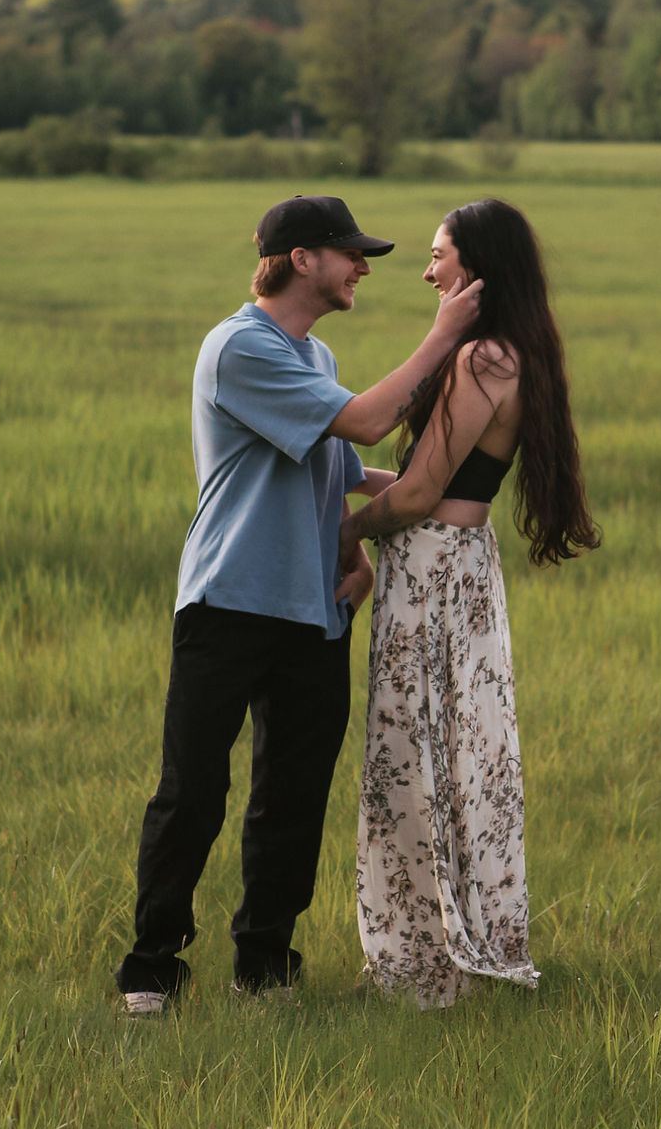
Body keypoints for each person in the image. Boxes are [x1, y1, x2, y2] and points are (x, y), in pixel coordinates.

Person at [115, 194, 482, 1016]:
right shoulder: (240, 347)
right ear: (302, 259)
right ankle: (151, 972)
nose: (362, 267)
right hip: (229, 601)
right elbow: (364, 422)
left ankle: (265, 965)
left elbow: (348, 473)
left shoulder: (311, 356)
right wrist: (444, 334)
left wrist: (451, 496)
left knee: (293, 795)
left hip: (315, 610)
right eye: (349, 253)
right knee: (193, 792)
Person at [339, 198, 600, 1009]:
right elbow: (437, 485)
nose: (426, 271)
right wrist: (339, 488)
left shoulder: (484, 358)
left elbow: (418, 495)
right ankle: (437, 950)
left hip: (434, 575)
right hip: (461, 563)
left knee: (412, 756)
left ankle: (425, 965)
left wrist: (337, 534)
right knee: (452, 753)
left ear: (477, 267)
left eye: (437, 254)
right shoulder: (508, 354)